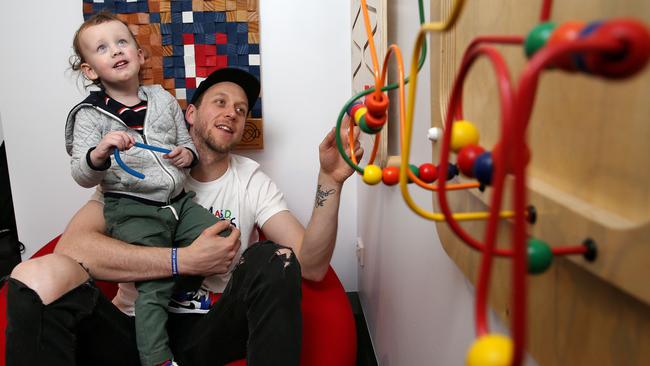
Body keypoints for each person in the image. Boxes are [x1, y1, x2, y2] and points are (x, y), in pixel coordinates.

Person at [6, 48, 362, 366]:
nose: (233, 113)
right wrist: (184, 261)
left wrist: (330, 181)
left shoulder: (251, 179)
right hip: (132, 328)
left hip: (208, 331)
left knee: (274, 256)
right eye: (220, 102)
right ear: (189, 114)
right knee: (35, 275)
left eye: (241, 109)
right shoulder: (139, 171)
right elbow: (72, 249)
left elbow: (312, 266)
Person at [63, 12, 232, 366]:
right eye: (102, 48)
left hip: (177, 202)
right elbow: (81, 174)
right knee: (153, 283)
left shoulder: (162, 99)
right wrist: (101, 151)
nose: (115, 51)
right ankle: (156, 358)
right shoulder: (89, 116)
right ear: (90, 70)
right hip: (133, 208)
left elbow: (188, 143)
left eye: (122, 42)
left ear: (140, 56)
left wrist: (185, 154)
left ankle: (182, 294)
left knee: (221, 235)